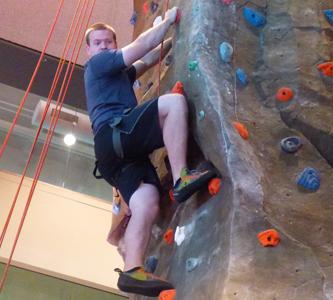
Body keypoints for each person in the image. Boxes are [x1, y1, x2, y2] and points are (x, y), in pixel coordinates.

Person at [84, 6, 215, 297]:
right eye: (98, 43)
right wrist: (168, 21)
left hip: (114, 156)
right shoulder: (99, 65)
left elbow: (147, 59)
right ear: (90, 51)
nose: (105, 46)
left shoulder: (115, 73)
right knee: (173, 104)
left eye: (109, 42)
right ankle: (182, 177)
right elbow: (142, 45)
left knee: (147, 201)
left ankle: (132, 270)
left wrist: (171, 38)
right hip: (115, 133)